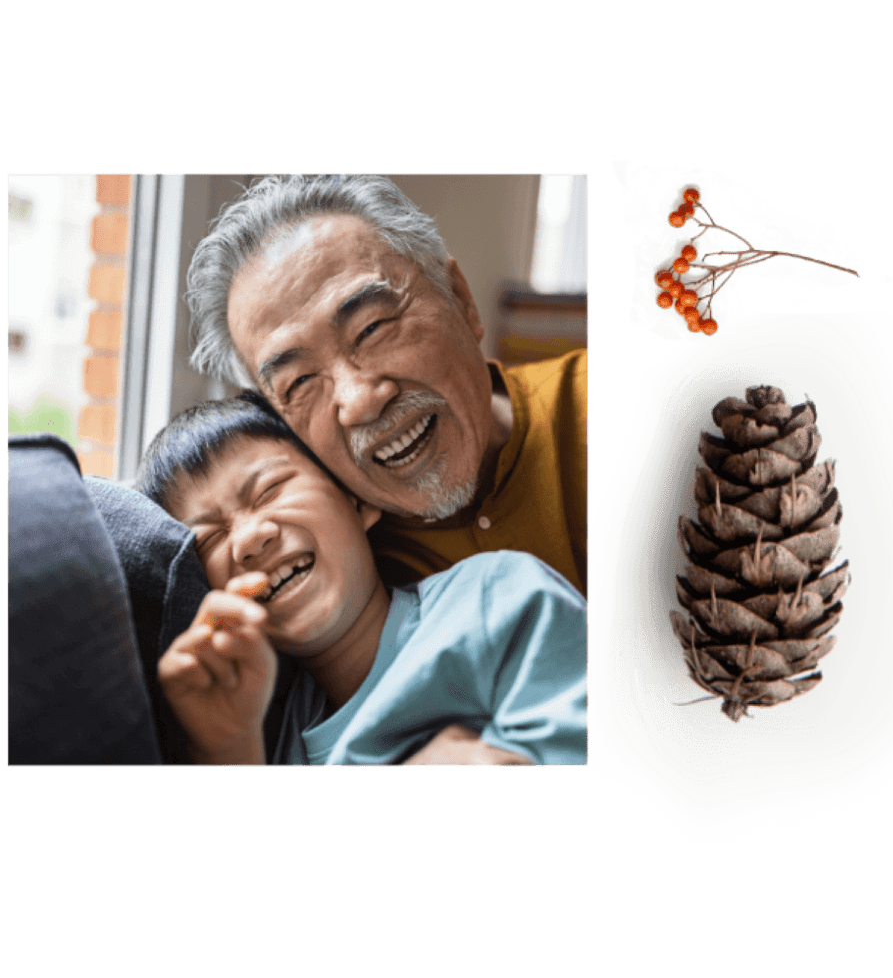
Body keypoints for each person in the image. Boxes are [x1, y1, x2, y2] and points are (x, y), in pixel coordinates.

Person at [186, 174, 588, 597]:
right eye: (300, 381)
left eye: (372, 328)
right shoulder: (322, 577)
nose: (359, 402)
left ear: (460, 299)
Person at [137, 396, 588, 767]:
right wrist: (229, 750)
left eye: (270, 489)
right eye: (210, 539)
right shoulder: (266, 738)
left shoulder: (497, 599)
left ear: (358, 497)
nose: (249, 540)